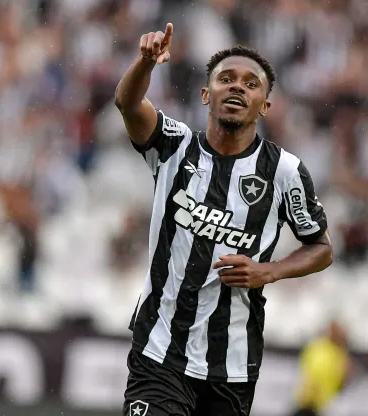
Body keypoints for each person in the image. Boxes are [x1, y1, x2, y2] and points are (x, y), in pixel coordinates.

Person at [114, 23, 334, 416]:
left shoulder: (285, 172)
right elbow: (128, 104)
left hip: (231, 367)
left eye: (251, 84)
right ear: (205, 95)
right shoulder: (173, 146)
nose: (237, 88)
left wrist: (268, 271)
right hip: (160, 352)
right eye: (226, 79)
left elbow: (321, 248)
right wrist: (146, 63)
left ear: (264, 105)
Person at [292, 320, 351, 416]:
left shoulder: (340, 355)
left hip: (324, 404)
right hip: (309, 401)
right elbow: (307, 369)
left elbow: (341, 380)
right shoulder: (318, 347)